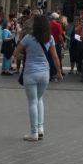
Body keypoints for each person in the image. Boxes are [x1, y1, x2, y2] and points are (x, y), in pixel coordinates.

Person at [13, 13, 62, 141]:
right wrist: (59, 71)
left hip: (30, 72)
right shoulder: (50, 38)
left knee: (32, 102)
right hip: (45, 72)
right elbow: (55, 56)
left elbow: (16, 53)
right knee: (40, 99)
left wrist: (25, 57)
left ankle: (33, 132)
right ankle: (41, 128)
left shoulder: (28, 38)